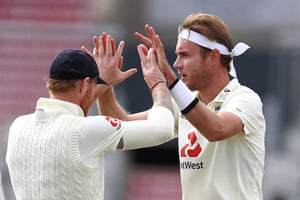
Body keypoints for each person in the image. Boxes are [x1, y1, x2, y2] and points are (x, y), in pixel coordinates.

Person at [100, 13, 266, 200]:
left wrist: (169, 80)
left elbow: (216, 129)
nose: (176, 64)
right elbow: (121, 127)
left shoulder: (245, 98)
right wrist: (104, 85)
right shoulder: (183, 105)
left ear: (213, 56)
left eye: (184, 56)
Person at [5, 33, 174, 200]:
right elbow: (163, 129)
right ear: (85, 84)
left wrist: (103, 84)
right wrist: (158, 83)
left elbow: (72, 113)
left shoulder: (17, 127)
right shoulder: (84, 130)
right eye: (93, 85)